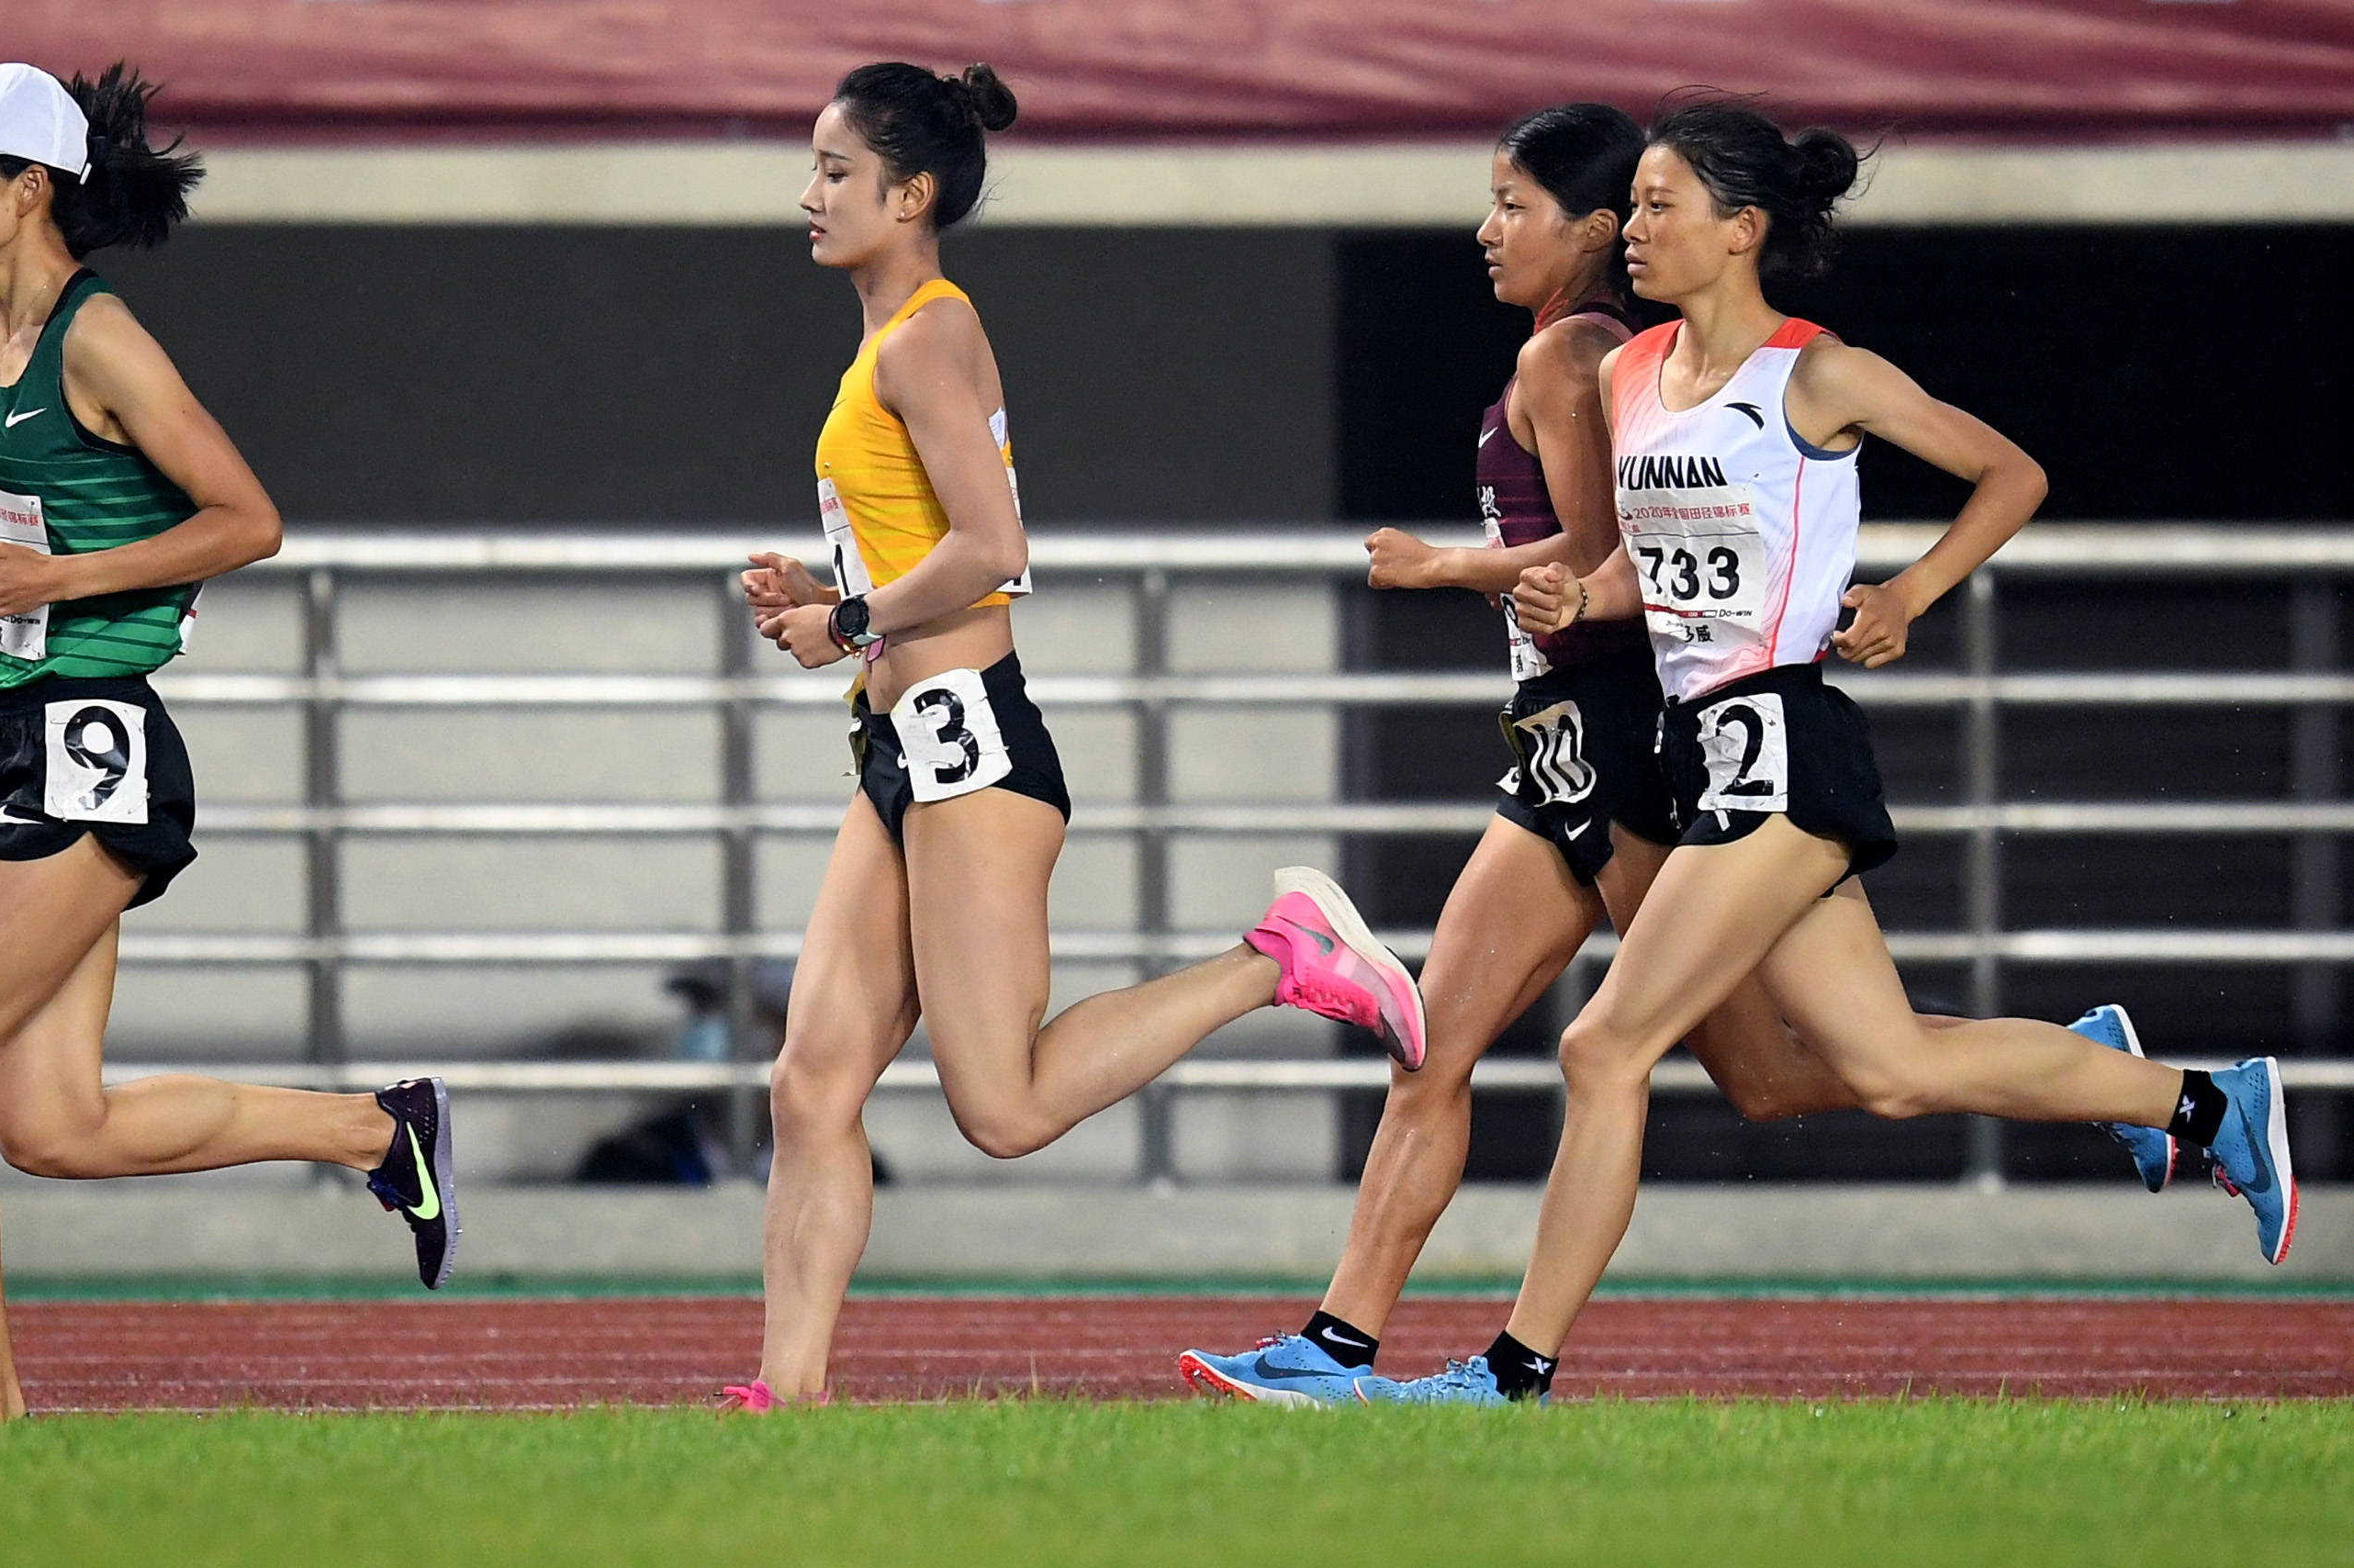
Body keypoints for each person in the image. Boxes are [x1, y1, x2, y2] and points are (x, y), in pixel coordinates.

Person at [1362, 98, 2292, 1406]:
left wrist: (1909, 595)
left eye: (1657, 205)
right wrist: (1582, 596)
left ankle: (1510, 1373)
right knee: (1889, 1070)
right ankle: (2203, 1102)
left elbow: (2008, 475)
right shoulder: (1629, 378)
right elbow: (1650, 563)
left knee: (1601, 1050)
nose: (1631, 231)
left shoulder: (1817, 374)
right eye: (1627, 206)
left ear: (1739, 230)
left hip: (1784, 744)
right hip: (1701, 751)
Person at [1180, 103, 2018, 1408]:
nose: (1487, 229)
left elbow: (1589, 549)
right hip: (1565, 744)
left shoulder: (1577, 355)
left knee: (1760, 1071)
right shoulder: (1612, 360)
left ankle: (2093, 1074)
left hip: (1630, 744)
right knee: (1456, 1046)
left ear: (1585, 232)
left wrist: (1447, 568)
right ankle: (1335, 1348)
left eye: (1516, 206)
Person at [722, 62, 1429, 1411]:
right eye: (809, 169)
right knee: (810, 1080)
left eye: (831, 171)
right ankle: (787, 1394)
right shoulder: (884, 343)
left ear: (908, 192)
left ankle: (1274, 958)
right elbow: (931, 554)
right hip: (898, 754)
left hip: (972, 749)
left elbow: (994, 554)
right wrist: (826, 602)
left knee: (1004, 1107)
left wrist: (848, 618)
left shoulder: (925, 334)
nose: (806, 195)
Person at [0, 63, 454, 1420]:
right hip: (17, 732)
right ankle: (375, 1132)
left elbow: (246, 519)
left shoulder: (104, 343)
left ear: (28, 189)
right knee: (53, 1127)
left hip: (93, 744)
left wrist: (70, 585)